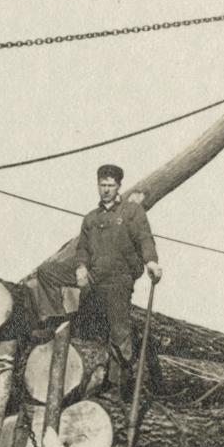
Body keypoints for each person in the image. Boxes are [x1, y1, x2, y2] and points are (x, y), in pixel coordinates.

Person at [72, 161, 161, 377]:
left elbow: (144, 237)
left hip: (119, 279)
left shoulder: (131, 211)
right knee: (89, 329)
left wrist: (151, 261)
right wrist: (81, 267)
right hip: (94, 278)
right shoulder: (91, 218)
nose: (105, 190)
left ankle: (122, 383)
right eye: (102, 185)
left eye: (110, 185)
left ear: (119, 186)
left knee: (120, 331)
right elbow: (82, 247)